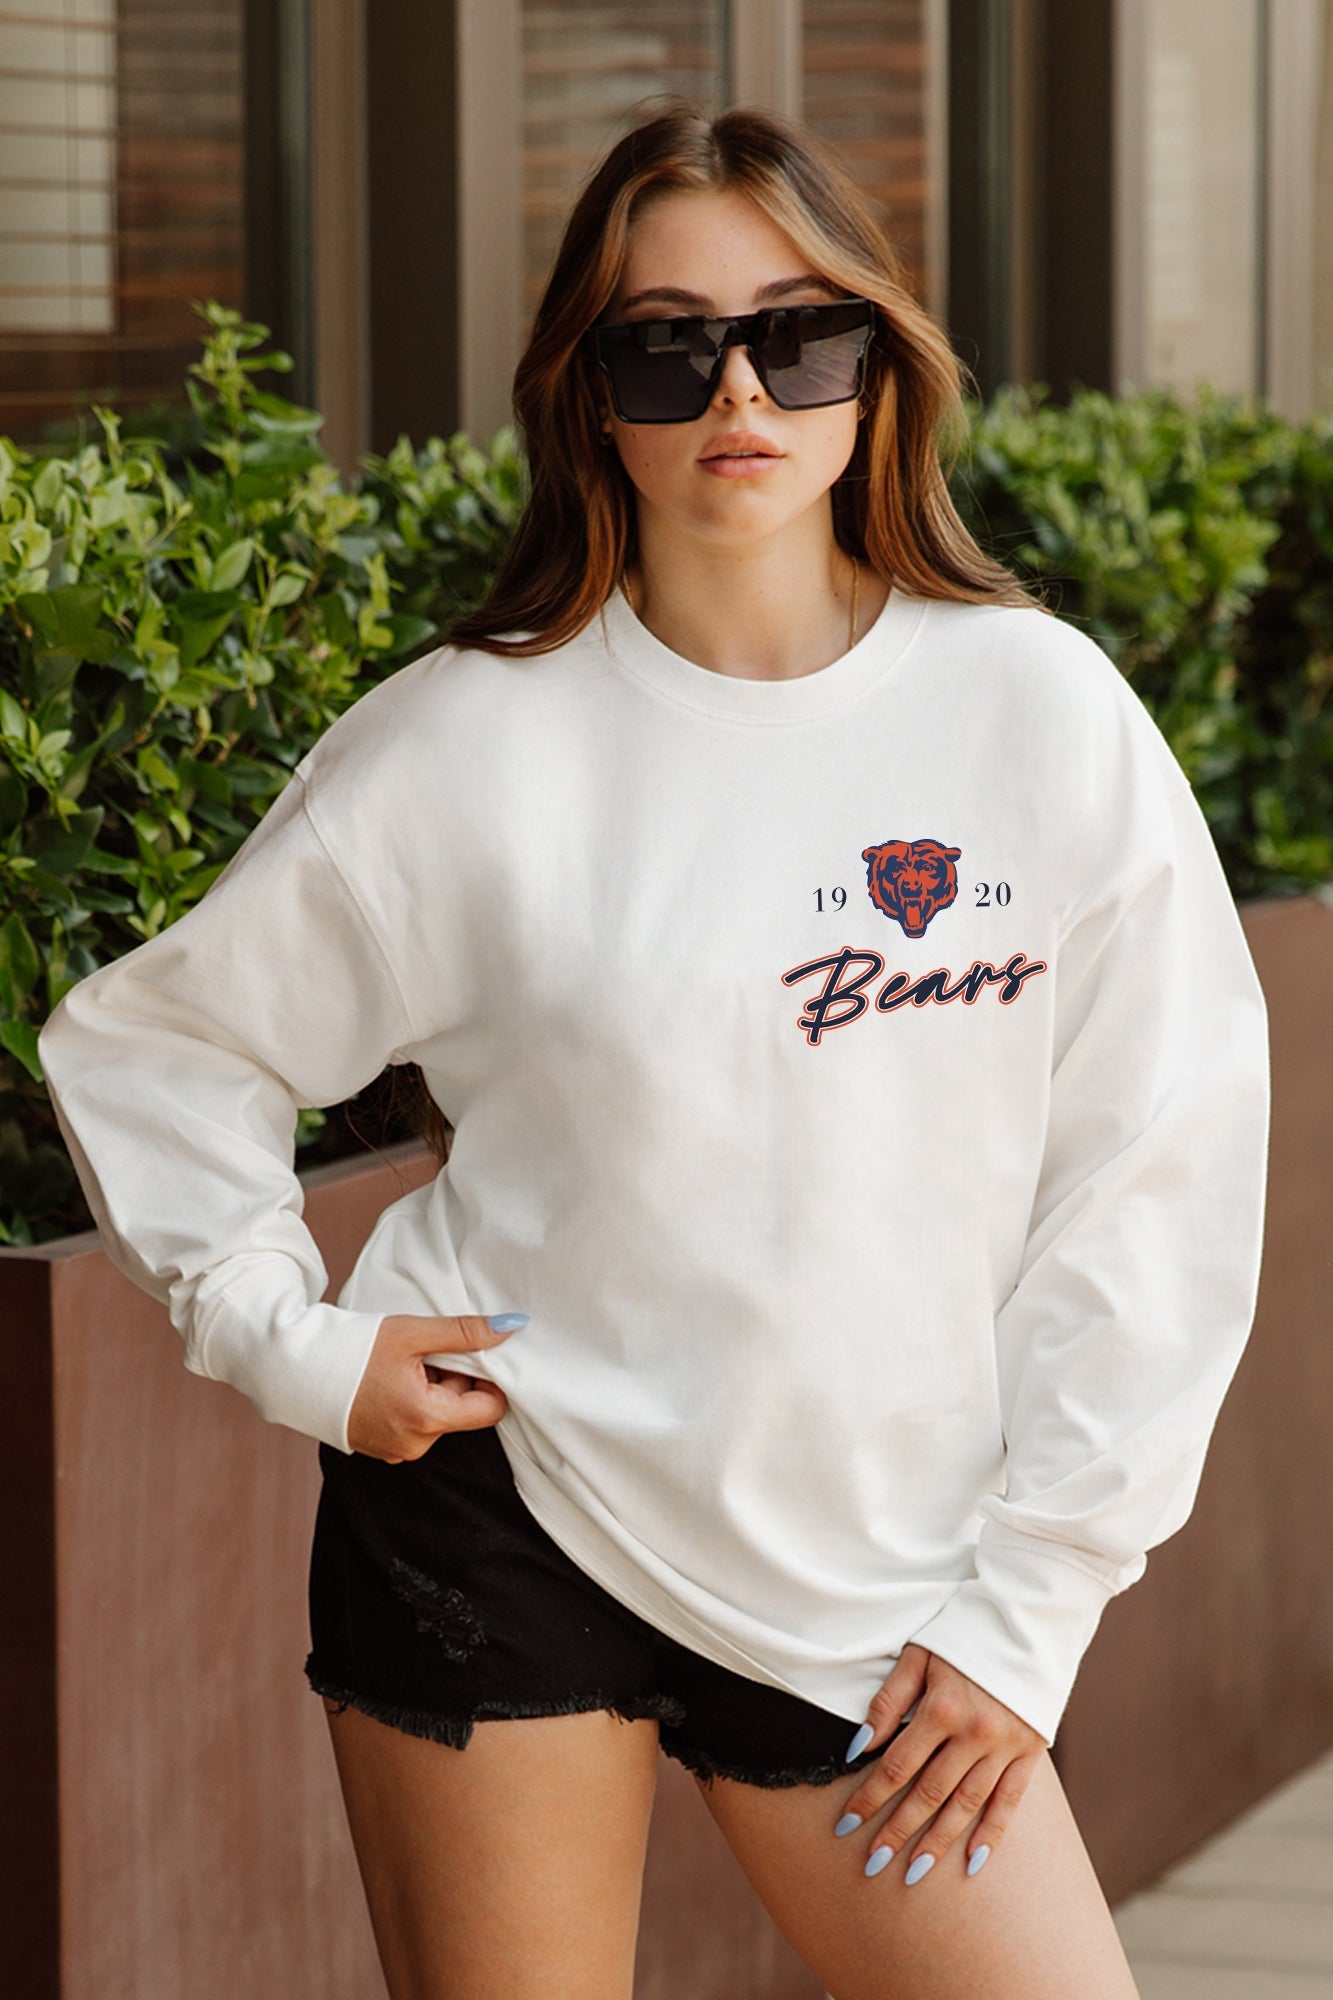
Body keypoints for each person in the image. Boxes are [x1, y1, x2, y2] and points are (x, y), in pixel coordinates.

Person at [37, 101, 1269, 2000]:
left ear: (877, 365)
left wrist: (1032, 1603)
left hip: (888, 1585)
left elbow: (1156, 1167)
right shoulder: (466, 745)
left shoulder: (1035, 711)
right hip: (506, 1514)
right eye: (666, 345)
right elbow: (156, 1046)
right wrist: (294, 1344)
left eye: (798, 334)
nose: (739, 392)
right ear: (586, 393)